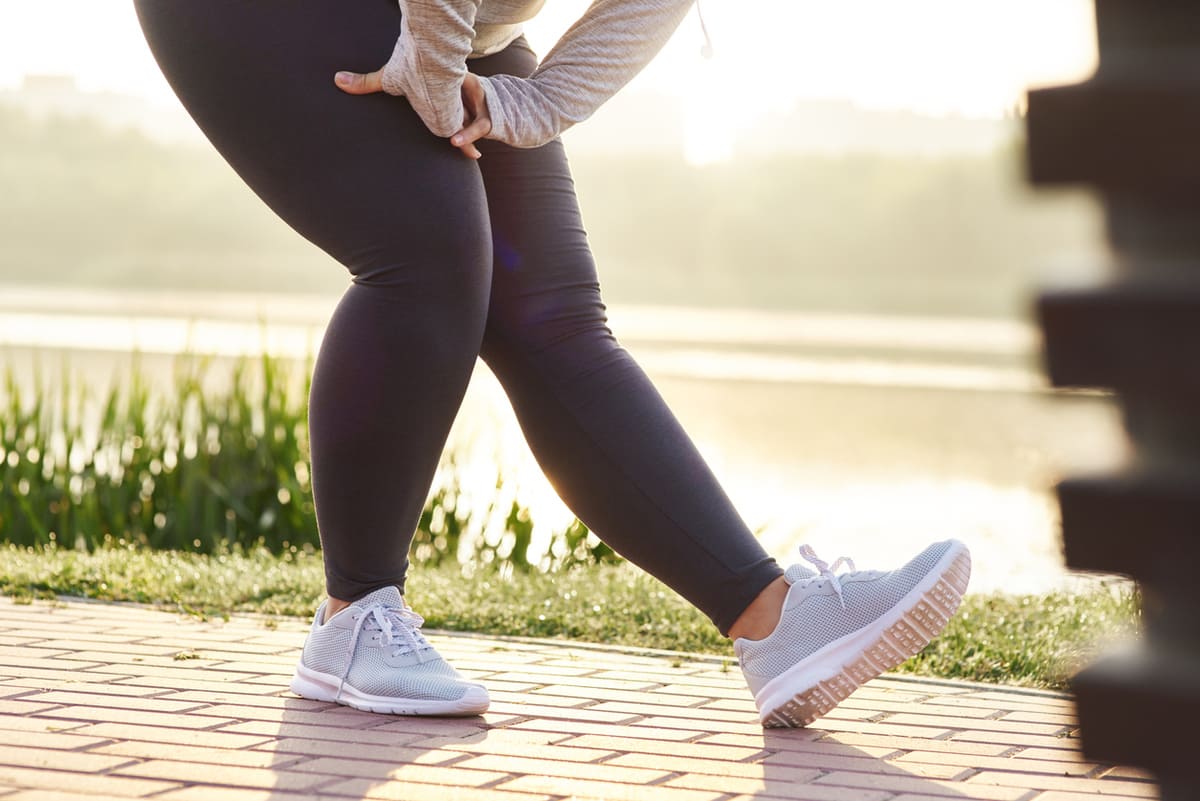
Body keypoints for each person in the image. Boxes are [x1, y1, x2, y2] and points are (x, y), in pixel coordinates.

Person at [133, 0, 971, 729]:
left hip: (462, 22)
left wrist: (514, 103)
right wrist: (431, 66)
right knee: (426, 254)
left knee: (554, 319)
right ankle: (353, 619)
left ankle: (775, 621)